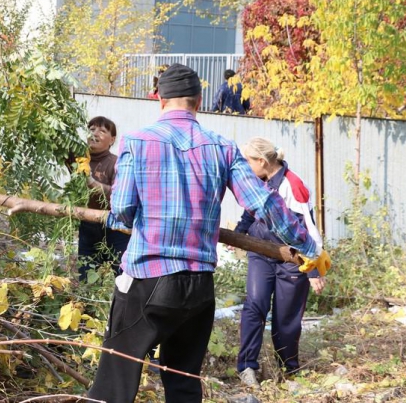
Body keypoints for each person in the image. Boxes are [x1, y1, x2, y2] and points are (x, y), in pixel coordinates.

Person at [86, 64, 328, 403]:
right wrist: (308, 247)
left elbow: (123, 209)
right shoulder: (223, 147)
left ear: (160, 100)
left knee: (115, 381)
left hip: (147, 278)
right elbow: (265, 204)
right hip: (198, 286)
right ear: (199, 101)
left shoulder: (136, 142)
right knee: (183, 384)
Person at [234, 137, 326, 389]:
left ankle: (289, 369)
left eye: (248, 162)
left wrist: (313, 269)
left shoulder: (293, 185)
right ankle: (247, 366)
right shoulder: (256, 181)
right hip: (261, 254)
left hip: (291, 260)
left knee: (286, 318)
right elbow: (250, 211)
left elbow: (309, 228)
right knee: (254, 306)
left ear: (262, 161)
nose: (245, 167)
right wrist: (240, 233)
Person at [77, 116, 131, 281]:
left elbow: (118, 193)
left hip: (115, 227)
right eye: (92, 129)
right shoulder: (79, 160)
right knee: (86, 275)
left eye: (102, 130)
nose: (95, 133)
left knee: (122, 276)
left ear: (112, 139)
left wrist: (93, 183)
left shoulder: (116, 163)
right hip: (88, 226)